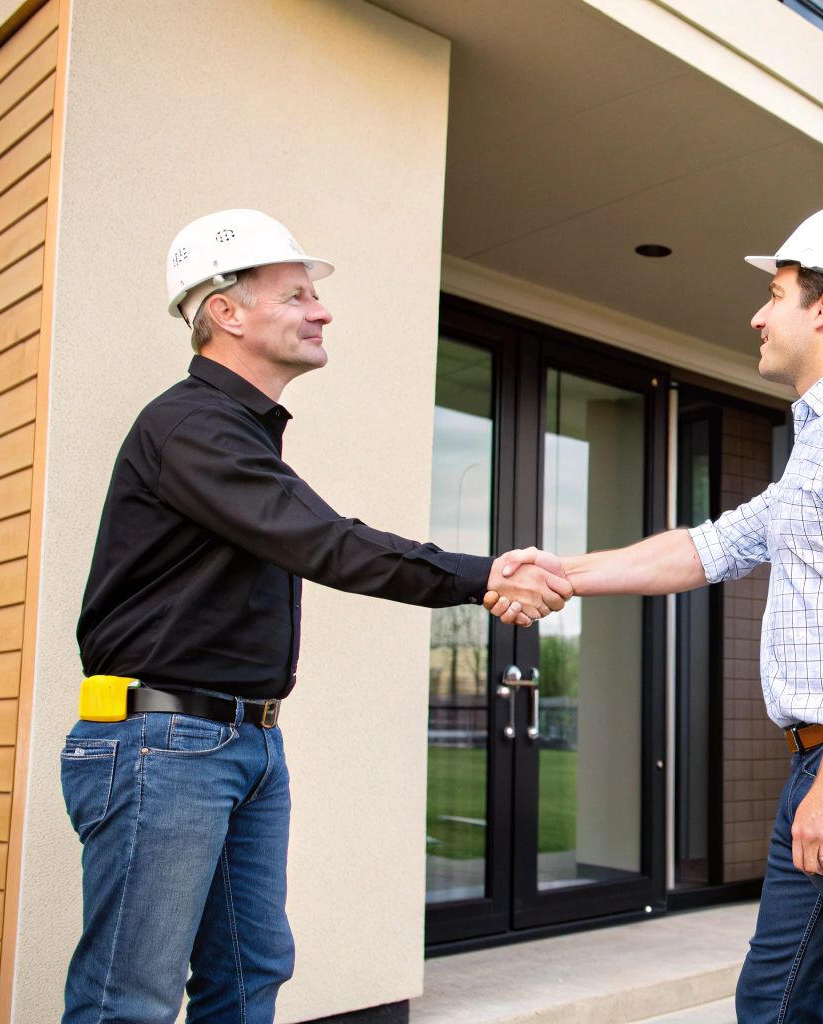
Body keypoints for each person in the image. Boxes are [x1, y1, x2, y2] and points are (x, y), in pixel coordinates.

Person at [59, 209, 571, 1023]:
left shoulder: (240, 436)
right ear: (224, 311)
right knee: (131, 999)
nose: (322, 309)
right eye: (295, 295)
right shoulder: (193, 426)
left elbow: (313, 539)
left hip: (243, 739)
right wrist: (486, 578)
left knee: (251, 969)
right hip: (166, 741)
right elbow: (324, 542)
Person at [490, 205, 823, 1023]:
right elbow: (713, 546)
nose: (757, 312)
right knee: (773, 1004)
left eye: (776, 292)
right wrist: (562, 573)